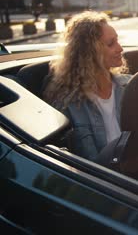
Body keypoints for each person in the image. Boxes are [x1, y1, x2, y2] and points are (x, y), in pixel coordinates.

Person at [44, 11, 131, 161]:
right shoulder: (67, 103)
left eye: (117, 41)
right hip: (101, 181)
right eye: (111, 44)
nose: (120, 48)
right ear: (90, 51)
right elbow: (86, 165)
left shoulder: (130, 86)